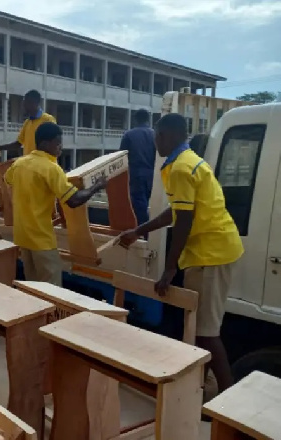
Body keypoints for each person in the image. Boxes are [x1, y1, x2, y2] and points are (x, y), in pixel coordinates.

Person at [118, 113, 243, 395]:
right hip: (207, 251)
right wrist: (139, 231)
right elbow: (175, 211)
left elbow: (183, 220)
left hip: (212, 252)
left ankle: (227, 399)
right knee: (200, 328)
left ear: (172, 135)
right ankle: (202, 387)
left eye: (158, 137)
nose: (156, 143)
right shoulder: (182, 162)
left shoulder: (181, 168)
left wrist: (169, 269)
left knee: (206, 332)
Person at [4, 122, 106, 286]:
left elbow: (7, 180)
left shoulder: (19, 164)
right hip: (41, 239)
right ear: (45, 143)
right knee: (52, 290)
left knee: (32, 286)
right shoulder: (51, 168)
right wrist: (97, 187)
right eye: (58, 143)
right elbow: (73, 200)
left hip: (22, 236)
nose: (61, 147)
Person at [119, 109, 156, 226]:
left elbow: (122, 156)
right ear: (147, 119)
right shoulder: (155, 134)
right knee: (150, 204)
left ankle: (143, 233)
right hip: (152, 175)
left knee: (139, 206)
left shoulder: (129, 135)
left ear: (135, 119)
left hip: (136, 175)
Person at [0, 90, 56, 156]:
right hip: (29, 163)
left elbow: (54, 143)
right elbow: (18, 144)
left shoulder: (48, 120)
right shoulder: (27, 122)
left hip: (43, 164)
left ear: (35, 103)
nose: (24, 106)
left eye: (26, 102)